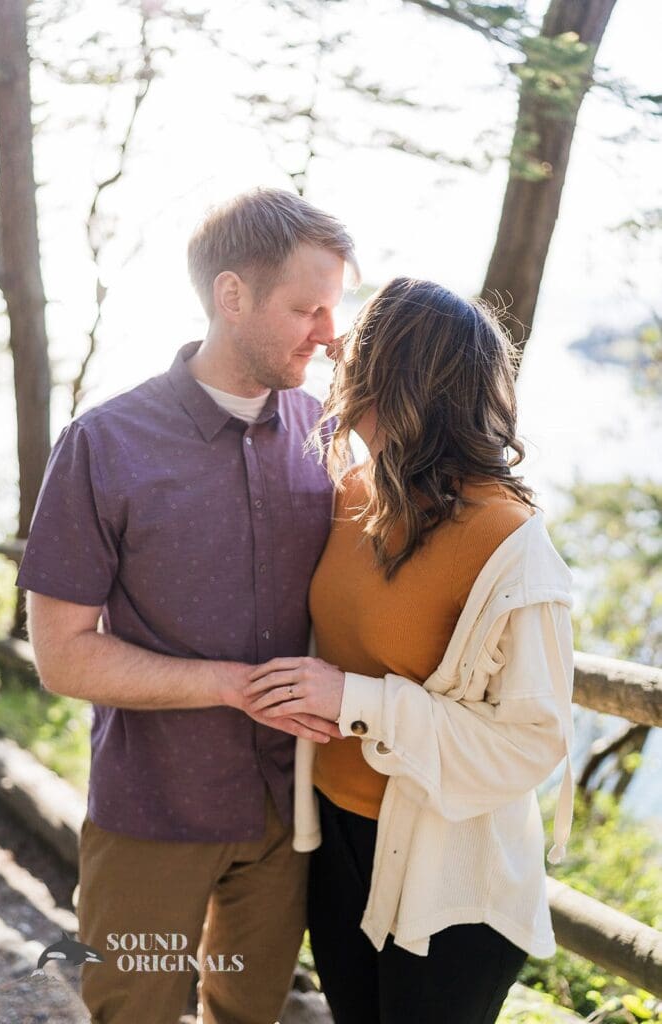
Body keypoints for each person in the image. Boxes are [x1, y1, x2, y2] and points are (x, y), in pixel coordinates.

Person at [16, 187, 357, 1024]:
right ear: (230, 296)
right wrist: (236, 686)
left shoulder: (329, 433)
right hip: (153, 814)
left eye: (332, 309)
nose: (328, 333)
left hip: (291, 818)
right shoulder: (104, 443)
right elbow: (62, 655)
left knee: (251, 1016)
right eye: (305, 308)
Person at [243, 277, 575, 1024]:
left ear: (389, 377)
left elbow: (532, 741)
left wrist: (353, 701)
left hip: (452, 882)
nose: (336, 365)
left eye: (353, 355)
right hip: (333, 841)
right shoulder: (348, 490)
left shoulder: (509, 541)